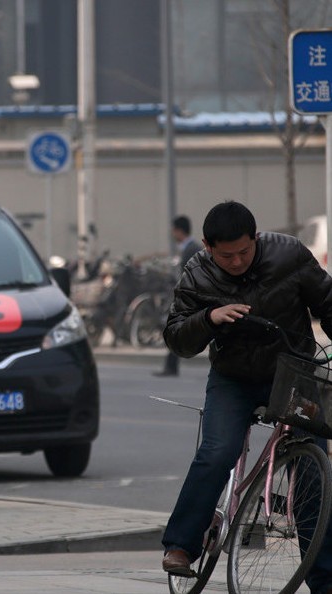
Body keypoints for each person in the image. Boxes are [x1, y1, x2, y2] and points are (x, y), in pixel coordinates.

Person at [160, 200, 332, 593]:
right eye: (226, 255)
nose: (236, 261)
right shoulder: (197, 274)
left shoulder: (289, 255)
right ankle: (182, 547)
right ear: (207, 246)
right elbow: (176, 337)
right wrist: (208, 319)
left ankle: (325, 581)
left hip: (293, 376)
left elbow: (328, 304)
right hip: (232, 379)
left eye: (244, 251)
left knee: (312, 474)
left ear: (255, 238)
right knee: (217, 451)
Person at [153, 215, 200, 377]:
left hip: (190, 298)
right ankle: (171, 366)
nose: (172, 234)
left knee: (176, 329)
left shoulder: (192, 249)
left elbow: (191, 275)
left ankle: (171, 366)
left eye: (173, 231)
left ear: (179, 231)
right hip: (188, 297)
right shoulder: (188, 248)